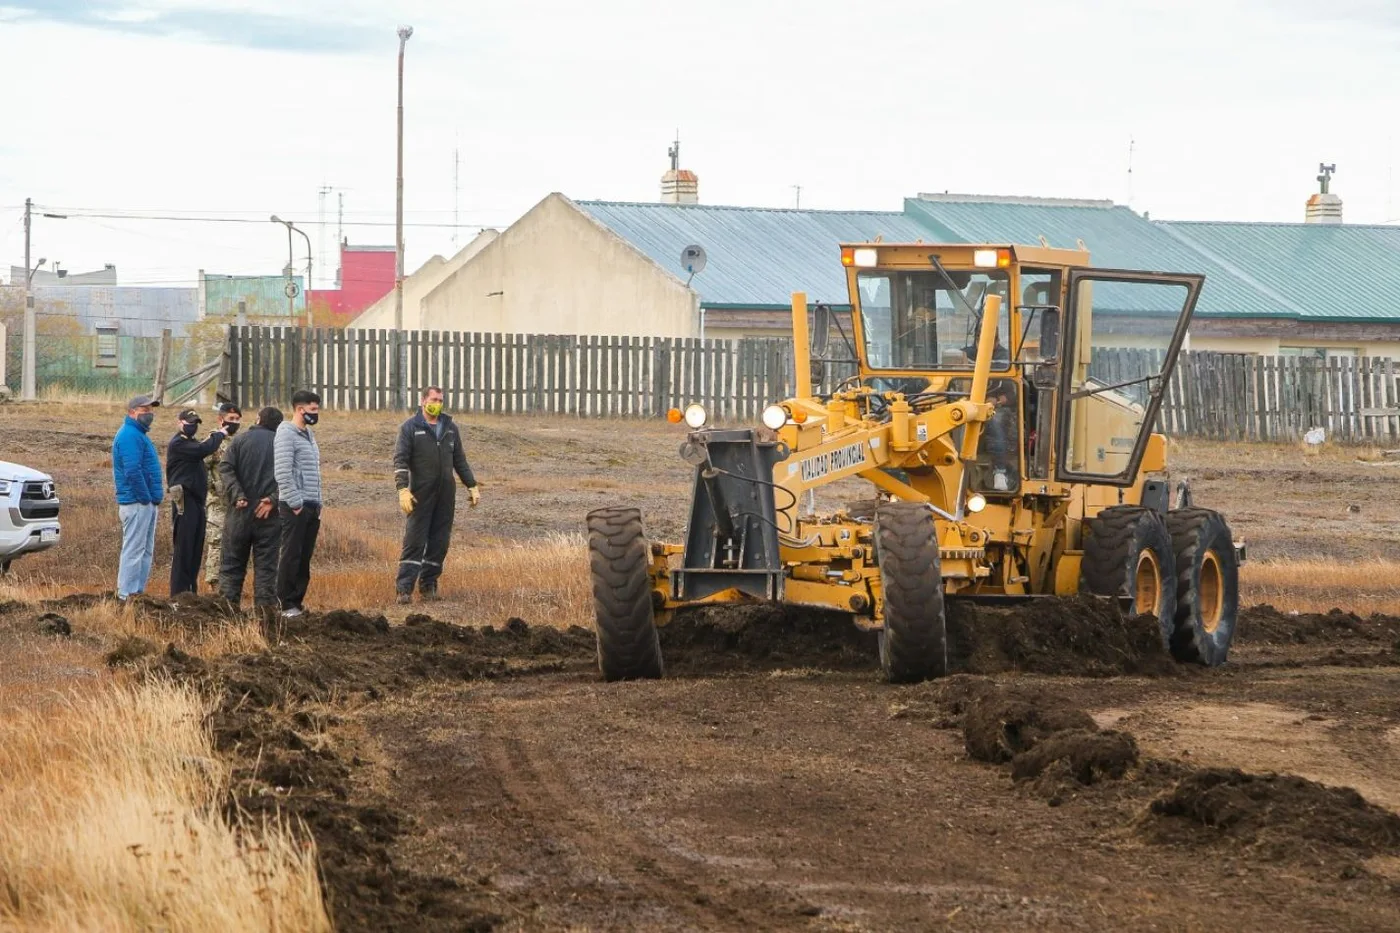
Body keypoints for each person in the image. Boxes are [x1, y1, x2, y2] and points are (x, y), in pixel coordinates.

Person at [393, 386, 481, 603]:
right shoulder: (410, 428)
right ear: (423, 401)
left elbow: (459, 460)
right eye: (434, 399)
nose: (438, 403)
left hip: (446, 494)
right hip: (420, 494)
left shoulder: (450, 428)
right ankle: (404, 589)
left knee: (440, 541)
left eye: (441, 400)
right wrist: (402, 488)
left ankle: (428, 586)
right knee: (415, 540)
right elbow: (400, 460)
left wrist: (471, 485)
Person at [219, 407, 282, 617]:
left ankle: (227, 616)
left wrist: (238, 495)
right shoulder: (282, 445)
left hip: (239, 513)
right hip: (269, 516)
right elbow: (292, 478)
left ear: (258, 419)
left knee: (231, 568)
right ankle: (265, 620)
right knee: (266, 570)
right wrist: (273, 500)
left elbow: (225, 468)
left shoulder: (239, 441)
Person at [165, 408, 229, 596]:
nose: (193, 427)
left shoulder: (190, 443)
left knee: (194, 548)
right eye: (189, 423)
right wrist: (220, 434)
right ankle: (178, 594)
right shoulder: (178, 443)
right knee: (184, 549)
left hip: (197, 502)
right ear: (180, 423)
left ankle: (190, 592)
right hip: (185, 500)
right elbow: (204, 449)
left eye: (195, 424)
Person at [275, 390, 323, 618]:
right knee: (291, 555)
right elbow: (283, 472)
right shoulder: (286, 433)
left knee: (304, 557)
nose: (316, 413)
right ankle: (285, 604)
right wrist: (295, 503)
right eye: (313, 410)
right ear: (299, 409)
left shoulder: (309, 435)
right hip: (295, 506)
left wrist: (317, 502)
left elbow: (313, 471)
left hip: (312, 504)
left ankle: (297, 602)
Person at [112, 394, 164, 600]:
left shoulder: (139, 434)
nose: (149, 414)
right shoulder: (129, 435)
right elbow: (132, 470)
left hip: (145, 502)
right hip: (136, 502)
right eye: (144, 410)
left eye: (150, 410)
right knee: (134, 551)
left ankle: (137, 594)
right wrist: (145, 497)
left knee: (144, 551)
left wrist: (152, 499)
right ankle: (125, 595)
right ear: (132, 412)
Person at [202, 402, 242, 593]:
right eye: (230, 419)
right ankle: (213, 582)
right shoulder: (213, 440)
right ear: (221, 420)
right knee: (216, 541)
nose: (234, 422)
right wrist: (213, 486)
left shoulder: (240, 442)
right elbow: (203, 466)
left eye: (236, 419)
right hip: (217, 501)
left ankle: (229, 584)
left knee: (234, 542)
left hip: (235, 501)